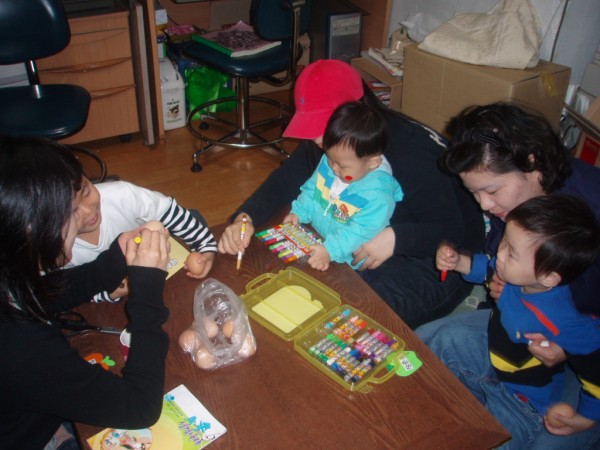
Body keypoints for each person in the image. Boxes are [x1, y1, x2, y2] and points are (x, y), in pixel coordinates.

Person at [218, 59, 485, 329]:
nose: (314, 138)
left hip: (439, 260)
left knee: (347, 320)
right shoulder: (339, 138)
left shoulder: (411, 154)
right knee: (302, 283)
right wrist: (245, 217)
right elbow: (286, 179)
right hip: (365, 234)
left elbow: (454, 231)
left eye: (320, 125)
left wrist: (397, 238)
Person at [416, 102, 600, 449]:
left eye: (491, 190)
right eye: (474, 192)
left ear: (532, 162)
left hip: (586, 355)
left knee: (549, 440)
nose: (484, 205)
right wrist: (486, 275)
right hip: (520, 329)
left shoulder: (590, 210)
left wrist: (568, 349)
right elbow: (492, 266)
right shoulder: (512, 205)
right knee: (426, 343)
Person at [0, 135, 170, 449]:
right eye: (69, 212)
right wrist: (147, 291)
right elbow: (140, 407)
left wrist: (113, 260)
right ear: (32, 229)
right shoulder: (20, 347)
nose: (81, 219)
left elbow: (38, 295)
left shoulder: (9, 272)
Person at [435, 194, 600, 448]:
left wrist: (586, 417)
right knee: (439, 344)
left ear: (548, 277)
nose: (500, 254)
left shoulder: (562, 319)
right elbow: (488, 268)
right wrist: (460, 262)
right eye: (504, 241)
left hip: (522, 402)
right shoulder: (512, 275)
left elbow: (594, 368)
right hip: (492, 363)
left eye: (512, 253)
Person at [283, 101, 403, 271]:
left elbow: (359, 232)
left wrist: (330, 250)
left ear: (373, 163)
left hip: (347, 260)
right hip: (320, 239)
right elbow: (312, 190)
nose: (333, 168)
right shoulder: (333, 161)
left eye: (342, 166)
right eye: (330, 158)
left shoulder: (378, 195)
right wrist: (299, 212)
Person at [67, 179, 217, 302]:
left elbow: (171, 212)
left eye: (86, 192)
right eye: (73, 211)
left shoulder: (121, 195)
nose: (88, 210)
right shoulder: (60, 253)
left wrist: (206, 247)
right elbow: (71, 291)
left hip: (161, 271)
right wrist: (110, 294)